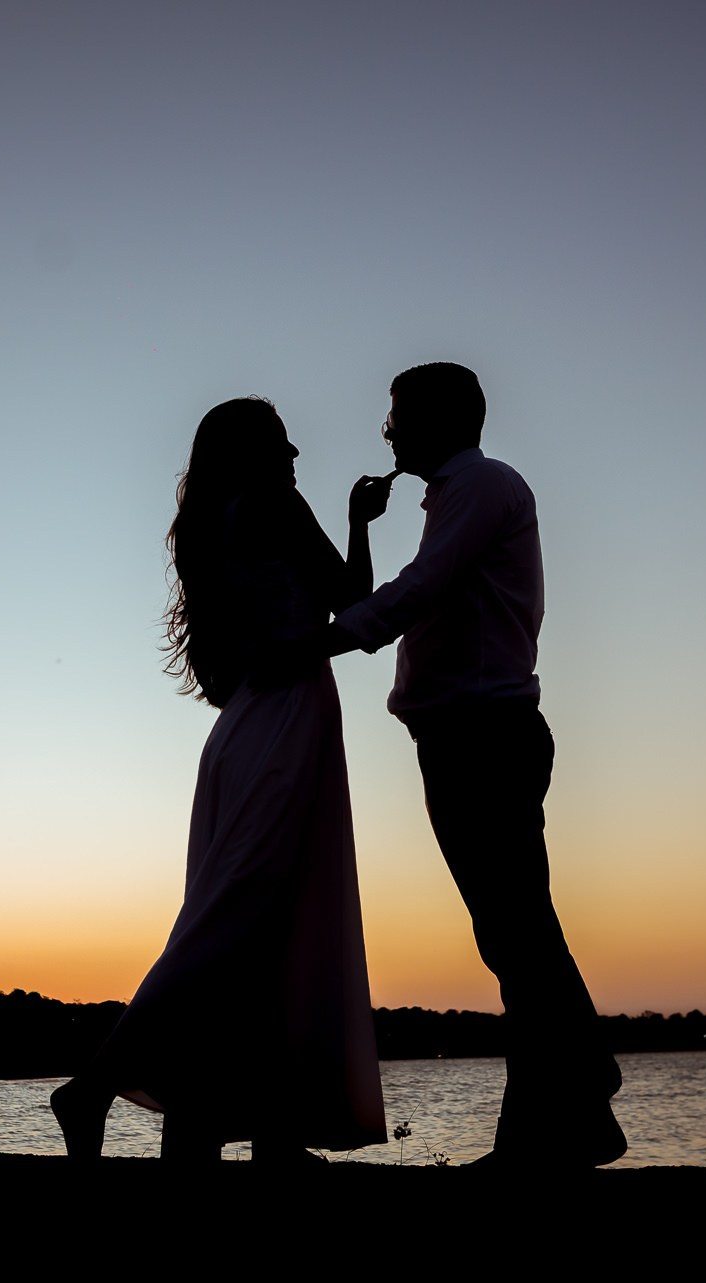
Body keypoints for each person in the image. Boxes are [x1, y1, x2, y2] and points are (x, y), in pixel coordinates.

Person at [51, 397, 390, 1162]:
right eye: (282, 443)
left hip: (242, 729)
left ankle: (272, 1125)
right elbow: (354, 606)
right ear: (255, 454)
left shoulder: (210, 531)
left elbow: (221, 674)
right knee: (232, 921)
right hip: (284, 726)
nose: (297, 453)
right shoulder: (274, 503)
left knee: (263, 926)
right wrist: (360, 524)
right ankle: (93, 1085)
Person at [318, 361, 625, 1169]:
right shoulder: (459, 496)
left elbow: (421, 589)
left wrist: (321, 640)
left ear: (436, 419)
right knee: (514, 932)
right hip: (464, 738)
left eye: (395, 416)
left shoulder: (484, 487)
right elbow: (426, 590)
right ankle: (579, 1104)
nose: (387, 431)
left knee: (516, 934)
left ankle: (555, 1118)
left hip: (483, 736)